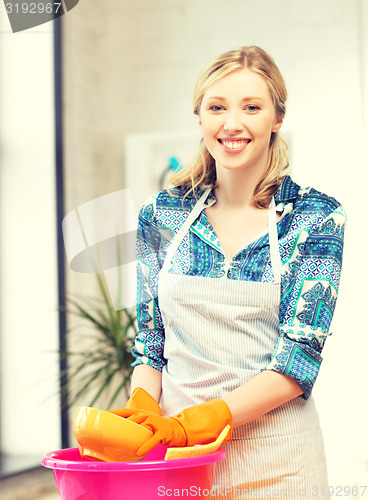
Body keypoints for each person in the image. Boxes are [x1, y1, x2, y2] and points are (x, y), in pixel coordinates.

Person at [122, 46, 346, 499]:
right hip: (181, 462)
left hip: (279, 462)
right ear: (199, 117)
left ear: (277, 118)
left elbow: (299, 358)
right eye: (217, 107)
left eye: (252, 107)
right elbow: (150, 341)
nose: (232, 124)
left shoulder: (314, 217)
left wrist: (204, 419)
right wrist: (144, 402)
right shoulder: (162, 214)